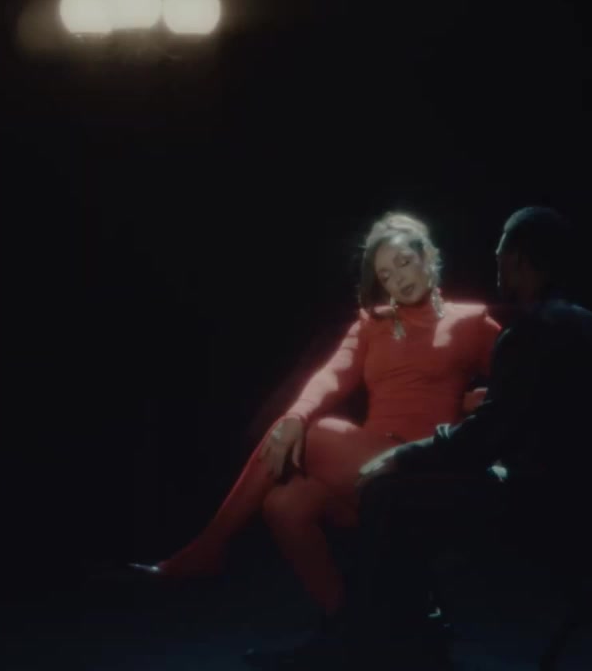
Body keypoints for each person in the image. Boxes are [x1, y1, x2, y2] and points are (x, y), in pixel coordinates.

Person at [253, 206, 592, 670]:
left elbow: (490, 436)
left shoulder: (531, 331)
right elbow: (523, 415)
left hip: (543, 499)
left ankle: (380, 639)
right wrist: (485, 406)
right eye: (386, 273)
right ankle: (395, 630)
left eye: (500, 253)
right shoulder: (586, 324)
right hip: (590, 489)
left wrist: (408, 456)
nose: (496, 263)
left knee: (389, 493)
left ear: (518, 259)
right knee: (357, 494)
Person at [130, 212, 502, 622]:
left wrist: (478, 402)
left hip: (421, 466)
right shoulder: (371, 324)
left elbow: (526, 386)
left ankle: (207, 549)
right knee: (284, 504)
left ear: (427, 256)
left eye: (404, 262)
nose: (398, 278)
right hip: (366, 468)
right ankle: (349, 624)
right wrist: (295, 415)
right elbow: (332, 375)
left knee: (317, 433)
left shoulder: (471, 321)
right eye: (386, 274)